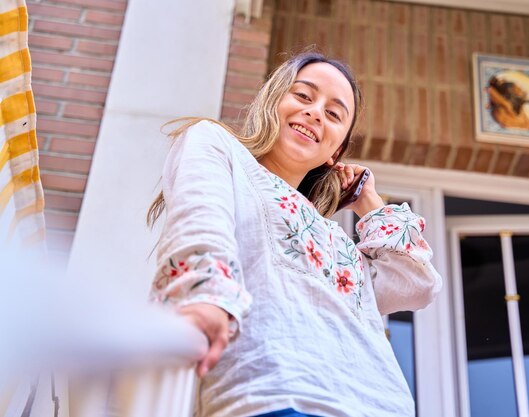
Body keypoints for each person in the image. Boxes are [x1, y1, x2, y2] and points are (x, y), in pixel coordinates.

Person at [147, 51, 442, 417]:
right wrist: (203, 300)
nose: (316, 112)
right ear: (273, 101)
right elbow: (200, 222)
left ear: (336, 150)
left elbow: (416, 283)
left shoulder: (337, 240)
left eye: (334, 114)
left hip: (379, 404)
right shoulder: (220, 149)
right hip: (277, 393)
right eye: (303, 96)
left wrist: (369, 202)